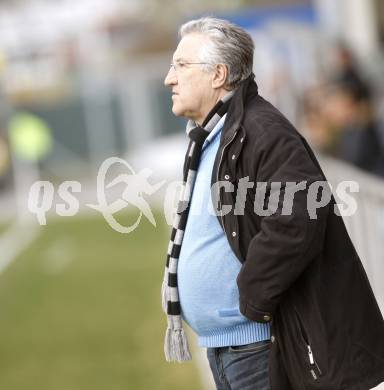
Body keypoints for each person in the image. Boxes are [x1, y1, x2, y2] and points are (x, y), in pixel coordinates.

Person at [161, 17, 384, 390]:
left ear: (218, 74)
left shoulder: (262, 131)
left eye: (181, 65)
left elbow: (297, 219)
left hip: (256, 348)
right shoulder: (213, 137)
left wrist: (251, 300)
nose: (170, 78)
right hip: (229, 350)